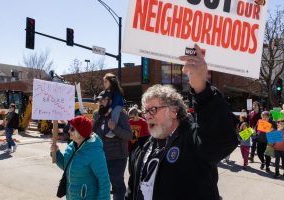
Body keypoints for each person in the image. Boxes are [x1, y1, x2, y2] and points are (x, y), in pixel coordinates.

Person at [125, 44, 238, 200]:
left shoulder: (193, 142)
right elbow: (131, 190)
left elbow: (220, 141)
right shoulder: (140, 148)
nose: (147, 116)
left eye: (153, 110)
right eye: (145, 111)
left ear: (173, 111)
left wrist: (202, 89)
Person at [51, 115, 110, 200]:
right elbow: (67, 167)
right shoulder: (71, 146)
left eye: (72, 129)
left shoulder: (94, 152)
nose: (68, 131)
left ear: (81, 132)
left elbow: (104, 181)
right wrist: (56, 153)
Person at [93, 90, 132, 200]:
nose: (100, 102)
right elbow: (94, 133)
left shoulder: (120, 114)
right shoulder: (97, 114)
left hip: (117, 157)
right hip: (100, 156)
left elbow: (129, 135)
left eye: (103, 100)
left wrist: (114, 128)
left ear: (110, 101)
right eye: (99, 100)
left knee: (117, 185)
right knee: (100, 184)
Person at [103, 73, 125, 138]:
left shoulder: (116, 91)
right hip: (112, 106)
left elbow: (116, 102)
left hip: (118, 106)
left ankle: (113, 129)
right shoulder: (107, 91)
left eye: (106, 81)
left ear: (111, 82)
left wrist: (110, 110)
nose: (104, 83)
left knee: (115, 111)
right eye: (104, 82)